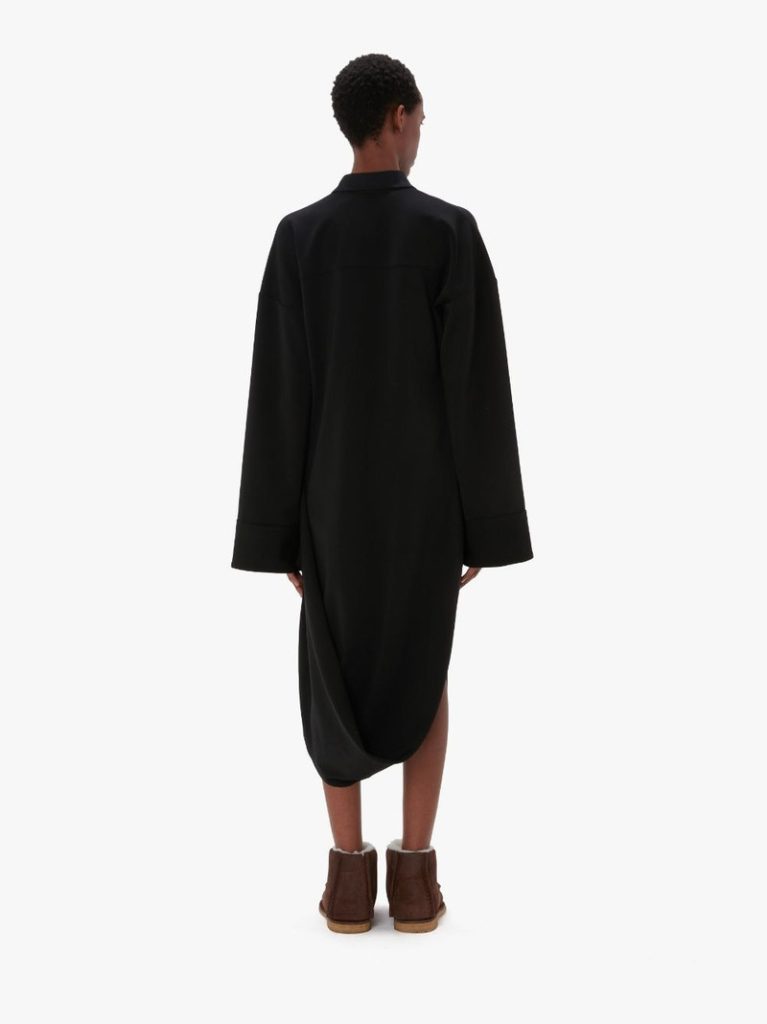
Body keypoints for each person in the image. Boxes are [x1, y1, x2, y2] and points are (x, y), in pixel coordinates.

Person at [231, 53, 533, 933]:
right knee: (421, 666)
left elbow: (280, 389)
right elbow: (475, 389)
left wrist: (277, 532)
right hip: (424, 503)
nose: (421, 133)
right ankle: (413, 879)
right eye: (421, 119)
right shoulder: (447, 231)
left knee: (334, 673)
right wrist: (483, 522)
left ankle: (345, 881)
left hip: (328, 498)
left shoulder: (300, 237)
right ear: (398, 115)